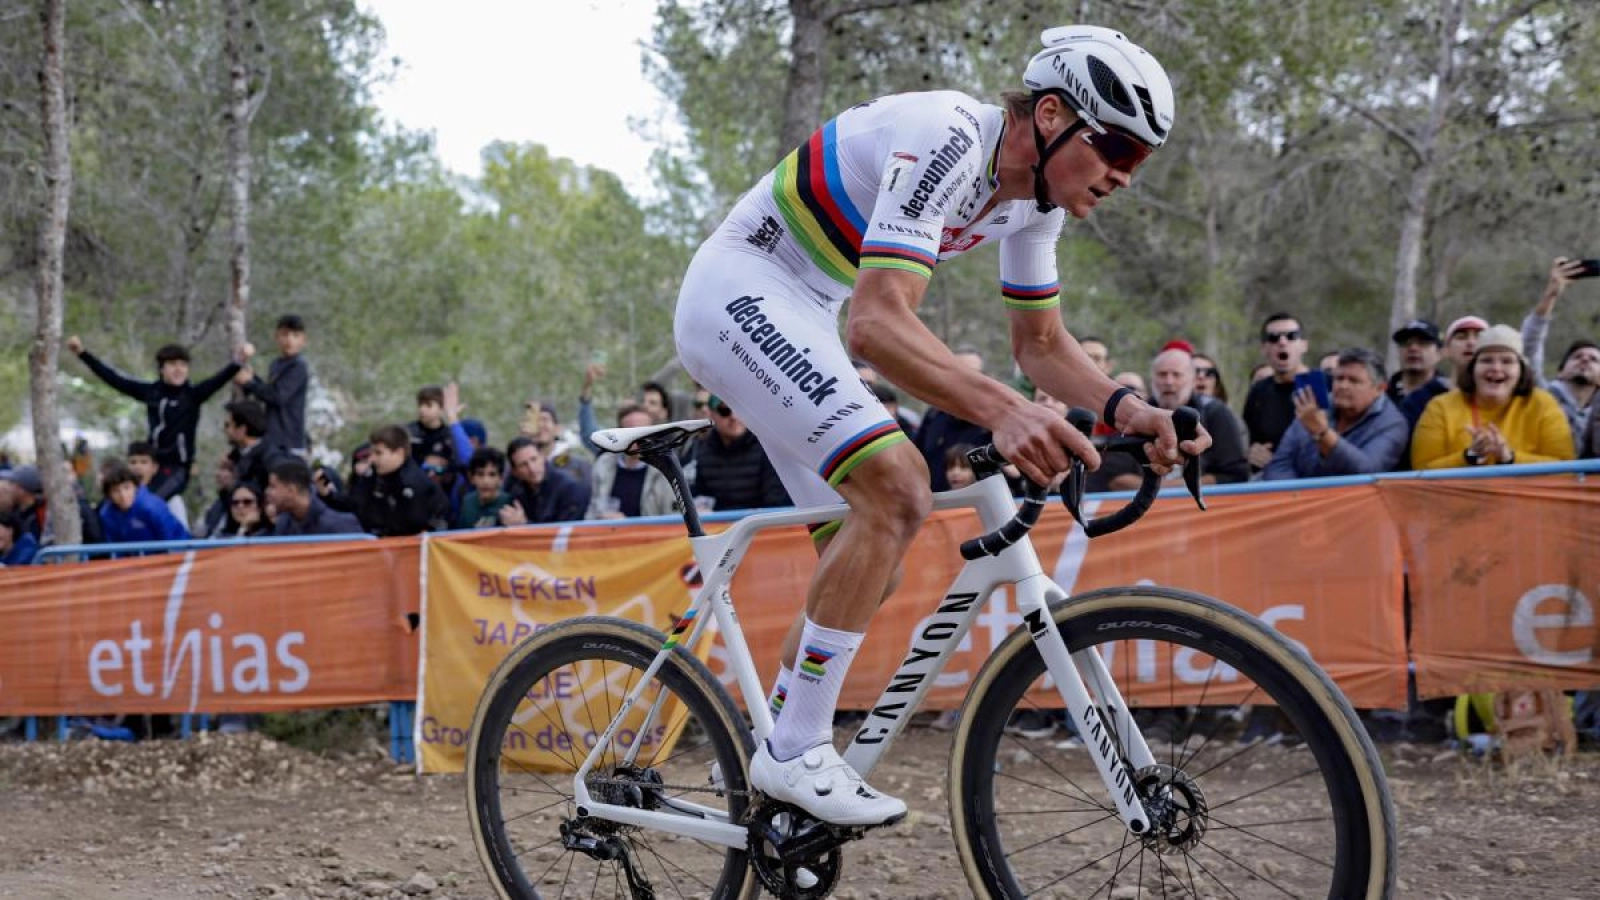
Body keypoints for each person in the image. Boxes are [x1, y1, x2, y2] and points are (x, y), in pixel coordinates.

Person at [671, 24, 1204, 825]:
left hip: (805, 309)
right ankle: (796, 751)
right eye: (1118, 150)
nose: (1126, 177)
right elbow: (878, 326)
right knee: (898, 488)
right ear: (1052, 115)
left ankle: (774, 747)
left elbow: (1042, 345)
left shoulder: (1034, 204)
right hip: (742, 290)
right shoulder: (947, 136)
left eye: (1141, 162)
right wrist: (1005, 409)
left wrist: (1129, 407)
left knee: (870, 560)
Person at [66, 335, 249, 499]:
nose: (179, 370)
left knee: (152, 501)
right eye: (172, 365)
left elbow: (219, 379)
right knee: (124, 497)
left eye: (183, 365)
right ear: (162, 369)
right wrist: (82, 353)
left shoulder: (192, 396)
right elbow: (114, 379)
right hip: (152, 464)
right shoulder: (151, 392)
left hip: (178, 467)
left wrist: (240, 360)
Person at [1411, 325, 1575, 469]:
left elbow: (1565, 467)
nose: (1496, 368)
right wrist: (1469, 457)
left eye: (1507, 361)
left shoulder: (1543, 404)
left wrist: (1509, 458)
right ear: (1473, 369)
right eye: (1487, 360)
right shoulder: (1440, 407)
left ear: (1521, 371)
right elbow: (1422, 468)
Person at [1093, 348, 1245, 490]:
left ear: (1192, 380)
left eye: (1176, 375)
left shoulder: (1216, 413)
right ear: (1152, 379)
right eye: (1162, 374)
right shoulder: (1136, 415)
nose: (1169, 381)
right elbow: (1115, 476)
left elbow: (1234, 473)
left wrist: (1173, 489)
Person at [1264, 348, 1410, 479]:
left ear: (1380, 389)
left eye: (1354, 381)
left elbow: (1367, 471)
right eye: (1339, 378)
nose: (1343, 386)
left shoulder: (1392, 424)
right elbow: (1280, 464)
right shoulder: (1316, 406)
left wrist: (1323, 433)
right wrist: (1295, 498)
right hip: (1296, 500)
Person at [1520, 257, 1597, 447]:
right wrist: (1550, 296)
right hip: (1551, 475)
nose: (1585, 360)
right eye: (1577, 357)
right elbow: (1530, 347)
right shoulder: (1542, 396)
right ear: (1560, 372)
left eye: (1594, 359)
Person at [688, 397, 793, 511]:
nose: (733, 416)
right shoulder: (703, 451)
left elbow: (776, 503)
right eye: (725, 411)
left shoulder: (767, 449)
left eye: (739, 410)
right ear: (712, 414)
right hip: (719, 527)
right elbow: (699, 499)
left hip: (761, 524)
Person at [912, 347, 992, 491]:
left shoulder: (994, 421)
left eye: (973, 374)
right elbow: (916, 462)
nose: (965, 380)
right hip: (937, 508)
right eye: (958, 374)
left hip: (980, 508)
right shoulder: (933, 416)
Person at [347, 425, 450, 537]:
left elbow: (413, 524)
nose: (373, 459)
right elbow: (354, 502)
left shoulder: (414, 483)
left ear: (399, 453)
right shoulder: (375, 475)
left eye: (379, 453)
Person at [1242, 313, 1311, 473]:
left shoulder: (1324, 384)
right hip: (1274, 483)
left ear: (1304, 345)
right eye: (1273, 338)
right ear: (1264, 348)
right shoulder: (1258, 392)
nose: (1282, 342)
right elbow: (1248, 442)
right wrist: (1252, 453)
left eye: (1291, 336)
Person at [236, 314, 311, 457]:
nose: (289, 340)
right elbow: (269, 390)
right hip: (273, 438)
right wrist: (253, 379)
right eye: (284, 334)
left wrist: (250, 383)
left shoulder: (299, 366)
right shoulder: (277, 364)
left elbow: (278, 396)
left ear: (303, 340)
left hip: (289, 442)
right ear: (276, 337)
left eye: (295, 335)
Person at [588, 405, 681, 519]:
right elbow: (591, 513)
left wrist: (627, 525)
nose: (638, 438)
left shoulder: (666, 468)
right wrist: (601, 519)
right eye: (630, 431)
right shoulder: (603, 464)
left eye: (643, 432)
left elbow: (673, 520)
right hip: (607, 534)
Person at [499, 436, 590, 526]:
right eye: (523, 465)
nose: (532, 468)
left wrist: (524, 525)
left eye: (534, 459)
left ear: (542, 457)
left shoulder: (569, 488)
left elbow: (565, 533)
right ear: (515, 472)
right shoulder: (516, 491)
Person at [99, 461, 191, 544]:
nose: (123, 495)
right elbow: (116, 548)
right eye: (116, 491)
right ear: (109, 495)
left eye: (127, 488)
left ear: (135, 487)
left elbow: (171, 540)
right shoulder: (107, 514)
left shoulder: (152, 507)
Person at [267, 458, 363, 536]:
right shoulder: (284, 525)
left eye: (272, 487)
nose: (268, 493)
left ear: (291, 490)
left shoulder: (340, 526)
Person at [1386, 319, 1451, 427]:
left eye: (1423, 343)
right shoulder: (1381, 394)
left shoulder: (1449, 395)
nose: (1413, 348)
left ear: (1440, 353)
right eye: (1406, 343)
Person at [126, 441, 188, 526]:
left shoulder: (172, 500)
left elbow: (182, 536)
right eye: (133, 462)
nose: (137, 467)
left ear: (154, 468)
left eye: (144, 462)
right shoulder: (118, 499)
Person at [456, 447, 513, 529]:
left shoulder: (509, 503)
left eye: (492, 474)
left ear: (501, 478)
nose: (486, 481)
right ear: (472, 478)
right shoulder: (467, 502)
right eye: (480, 474)